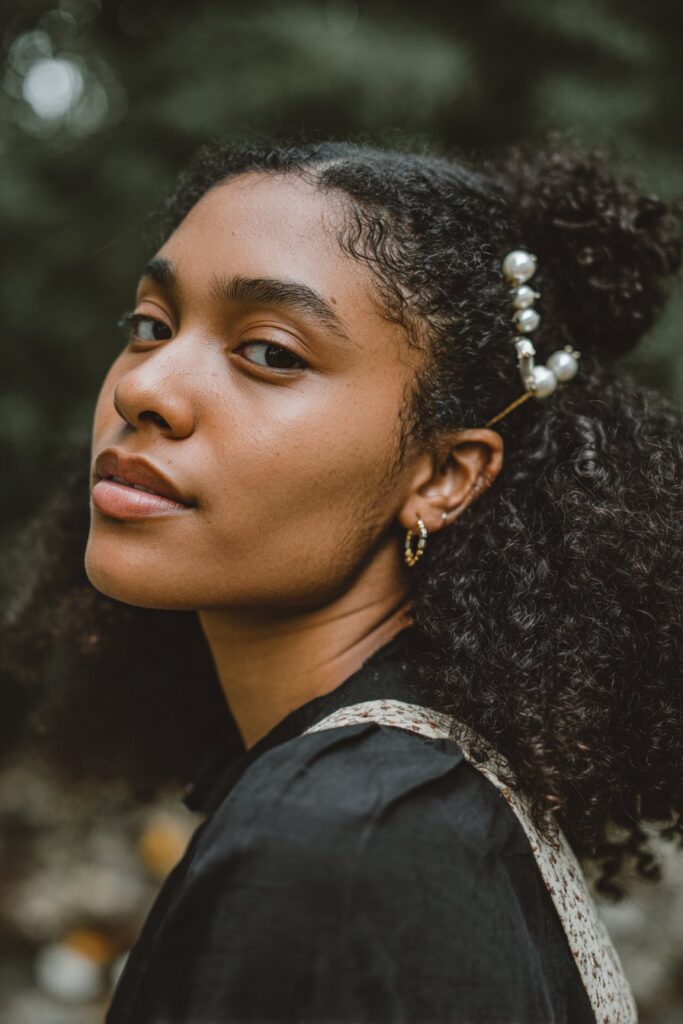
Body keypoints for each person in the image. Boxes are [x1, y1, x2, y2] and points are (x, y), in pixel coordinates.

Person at [3, 134, 682, 1023]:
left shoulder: (338, 844)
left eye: (272, 352)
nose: (147, 387)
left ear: (443, 477)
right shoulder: (404, 796)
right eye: (150, 326)